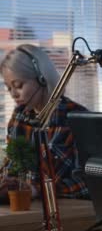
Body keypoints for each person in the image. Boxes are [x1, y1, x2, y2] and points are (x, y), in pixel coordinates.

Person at [0, 44, 88, 201]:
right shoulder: (19, 117)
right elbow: (12, 166)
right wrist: (8, 181)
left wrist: (36, 190)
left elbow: (85, 183)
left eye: (18, 86)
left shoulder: (77, 119)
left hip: (66, 212)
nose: (13, 94)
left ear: (42, 79)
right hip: (27, 209)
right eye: (9, 88)